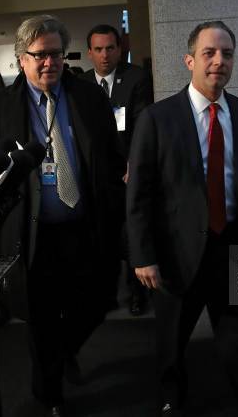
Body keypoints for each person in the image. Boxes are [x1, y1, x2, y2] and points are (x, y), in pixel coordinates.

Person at [0, 15, 125, 417]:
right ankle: (49, 395)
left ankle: (64, 349)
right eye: (39, 56)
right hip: (29, 232)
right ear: (21, 59)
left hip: (82, 227)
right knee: (39, 319)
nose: (49, 63)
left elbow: (108, 157)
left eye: (55, 54)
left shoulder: (89, 98)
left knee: (94, 303)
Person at [127, 21, 238, 416]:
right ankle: (171, 403)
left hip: (232, 249)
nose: (219, 61)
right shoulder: (157, 118)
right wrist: (142, 255)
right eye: (209, 53)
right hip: (177, 253)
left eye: (227, 54)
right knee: (171, 346)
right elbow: (140, 194)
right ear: (189, 60)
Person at [80, 24, 154, 315]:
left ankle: (138, 293)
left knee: (131, 234)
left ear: (119, 49)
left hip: (127, 172)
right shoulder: (82, 84)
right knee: (102, 236)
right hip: (98, 176)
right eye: (98, 49)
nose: (105, 55)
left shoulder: (135, 78)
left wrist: (133, 164)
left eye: (110, 48)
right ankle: (107, 294)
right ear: (89, 53)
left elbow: (142, 125)